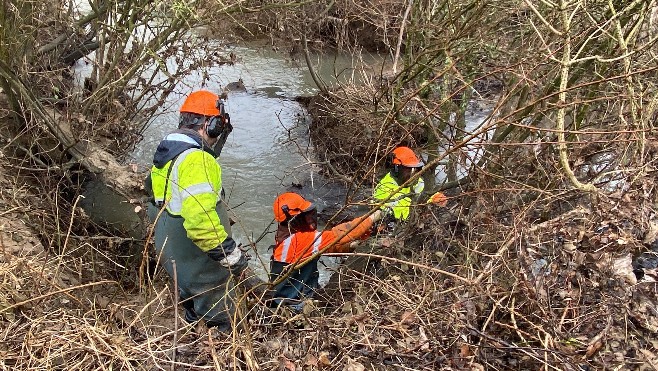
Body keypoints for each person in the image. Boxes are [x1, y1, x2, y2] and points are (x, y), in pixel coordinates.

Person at [145, 90, 246, 332]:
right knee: (224, 315)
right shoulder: (197, 160)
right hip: (196, 257)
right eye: (218, 127)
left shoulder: (169, 151)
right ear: (209, 125)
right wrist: (229, 253)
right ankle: (219, 352)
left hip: (171, 251)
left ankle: (193, 331)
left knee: (191, 300)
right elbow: (199, 219)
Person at [268, 192, 382, 309]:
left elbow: (326, 247)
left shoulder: (285, 236)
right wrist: (371, 218)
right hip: (294, 305)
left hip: (287, 299)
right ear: (294, 219)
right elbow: (339, 234)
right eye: (305, 215)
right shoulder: (298, 240)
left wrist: (350, 246)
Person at [373, 146, 447, 225]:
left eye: (414, 169)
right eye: (408, 170)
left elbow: (427, 191)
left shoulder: (415, 181)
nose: (412, 173)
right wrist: (423, 207)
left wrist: (437, 198)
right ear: (396, 170)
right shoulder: (384, 188)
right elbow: (401, 213)